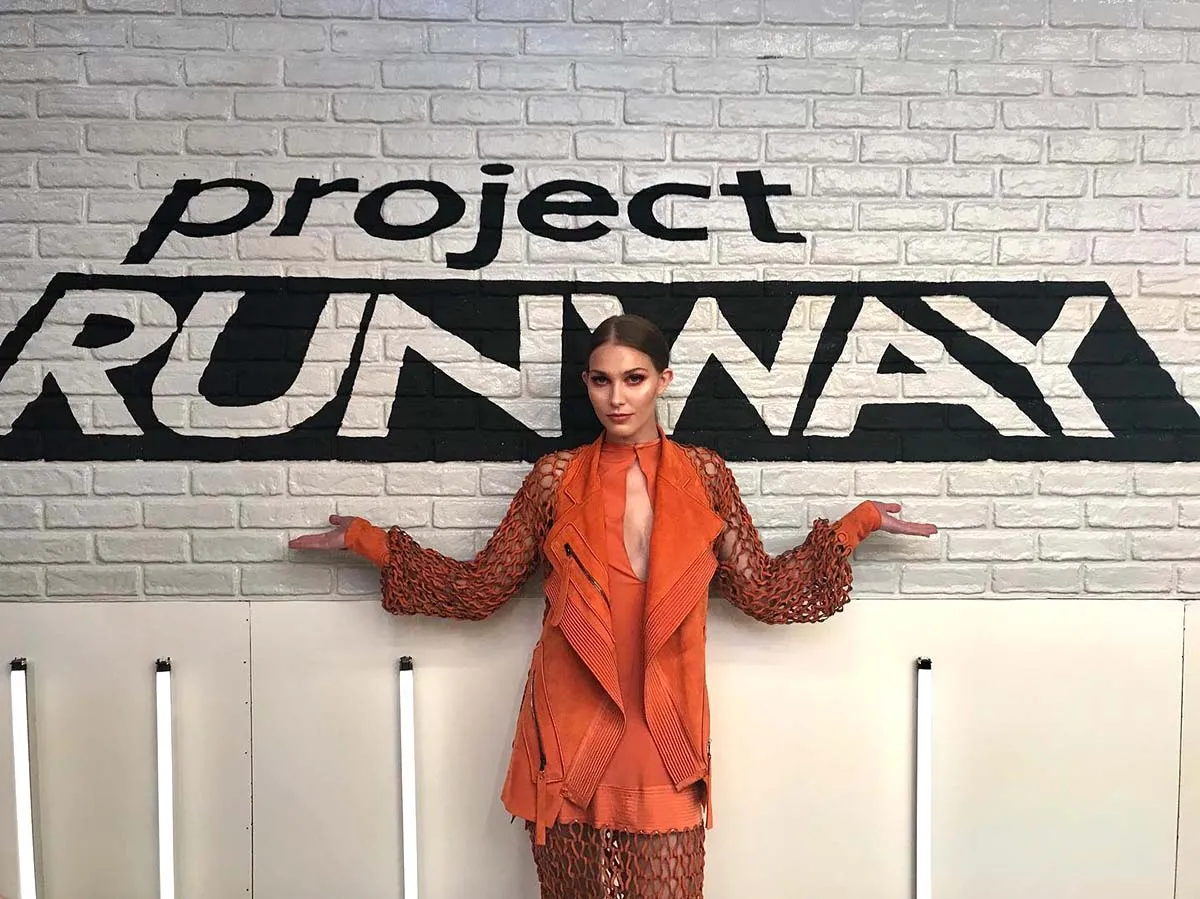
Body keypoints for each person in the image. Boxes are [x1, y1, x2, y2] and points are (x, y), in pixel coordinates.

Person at [288, 314, 937, 899]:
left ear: (663, 381)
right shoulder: (555, 478)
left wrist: (856, 526)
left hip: (665, 736)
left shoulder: (704, 476)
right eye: (601, 380)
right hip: (571, 734)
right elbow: (483, 587)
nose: (617, 397)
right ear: (587, 384)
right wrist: (368, 542)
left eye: (633, 378)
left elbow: (763, 590)